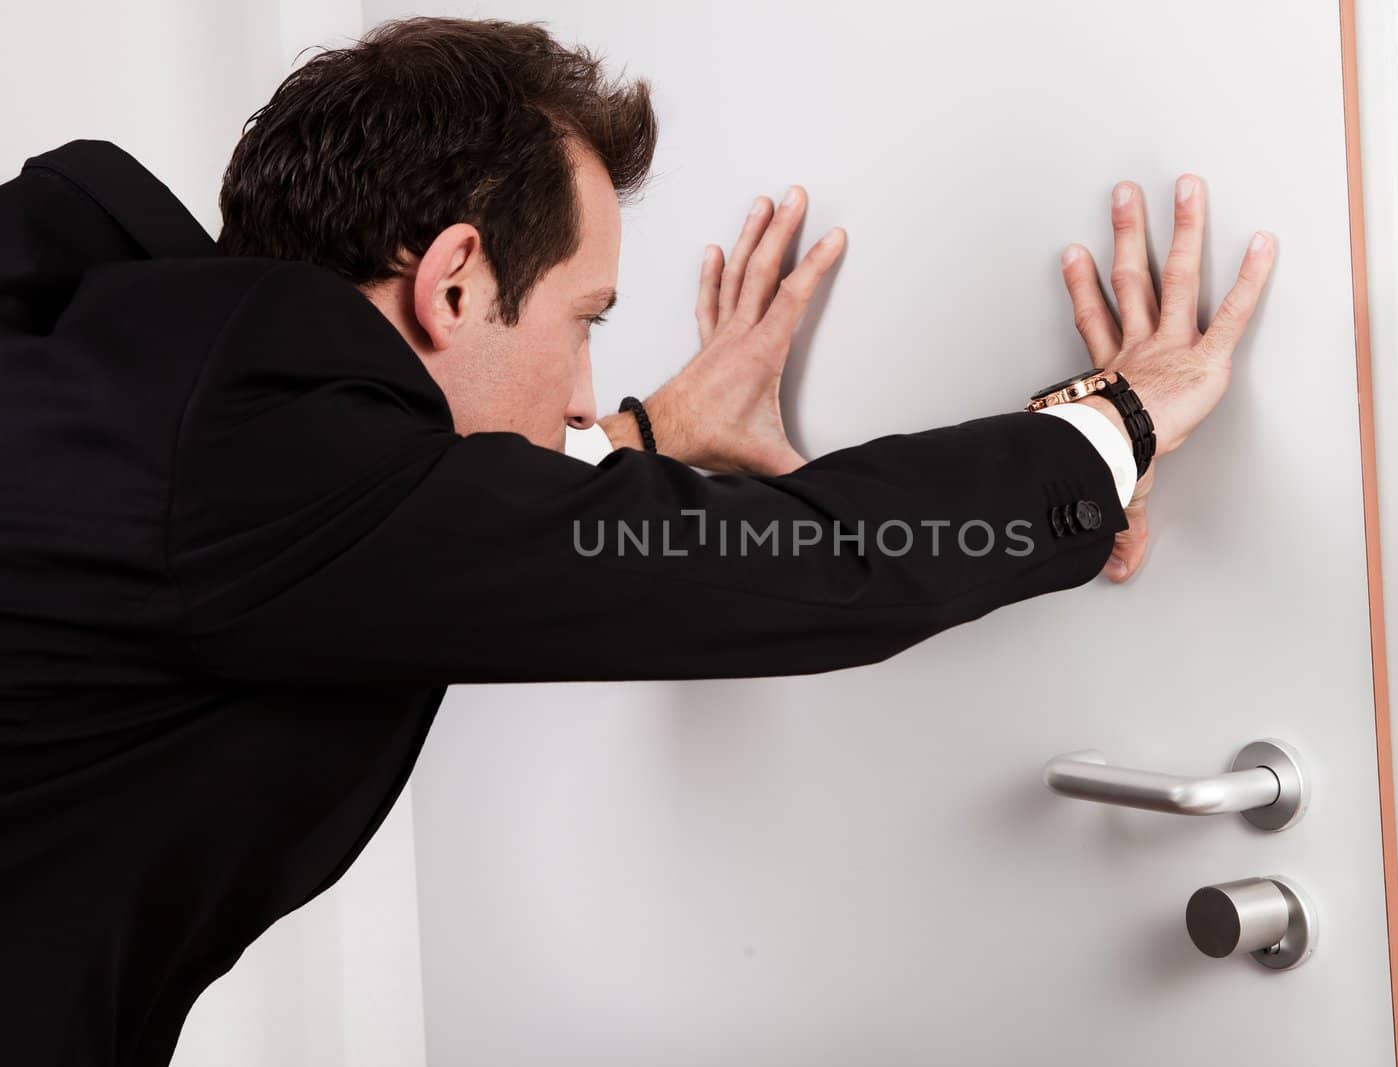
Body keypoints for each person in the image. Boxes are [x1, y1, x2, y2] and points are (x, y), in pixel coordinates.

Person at [0, 16, 1275, 1067]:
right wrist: (1113, 422)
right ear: (453, 282)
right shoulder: (266, 472)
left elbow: (439, 516)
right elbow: (815, 564)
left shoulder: (129, 370)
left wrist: (645, 433)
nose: (576, 387)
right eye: (585, 315)